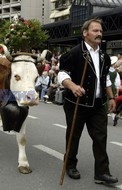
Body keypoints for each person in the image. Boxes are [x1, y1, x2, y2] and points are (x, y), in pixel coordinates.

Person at [58, 18, 118, 184]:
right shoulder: (75, 52)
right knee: (73, 135)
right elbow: (62, 74)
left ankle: (102, 173)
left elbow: (105, 79)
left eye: (100, 31)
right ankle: (70, 165)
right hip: (77, 103)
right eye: (95, 31)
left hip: (98, 105)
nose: (99, 33)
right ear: (85, 33)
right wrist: (73, 86)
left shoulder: (104, 56)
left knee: (100, 138)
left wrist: (111, 97)